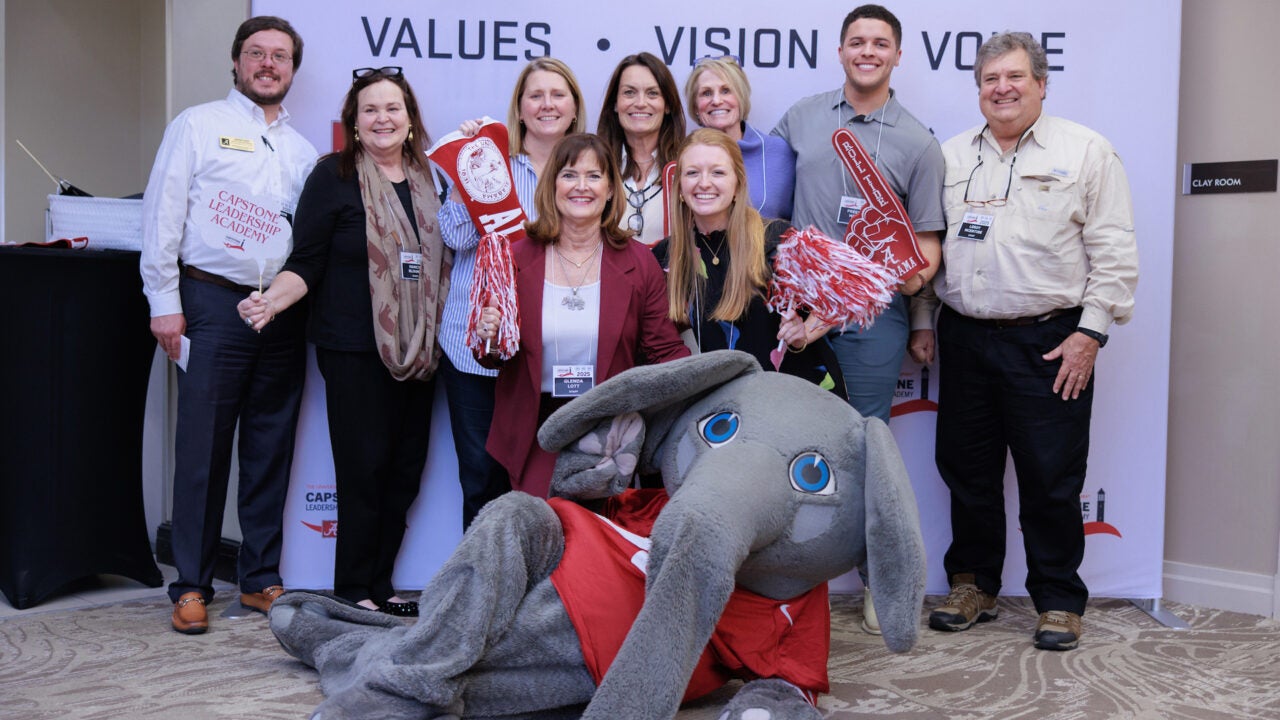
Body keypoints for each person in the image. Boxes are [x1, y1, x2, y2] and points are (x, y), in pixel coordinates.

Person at [926, 32, 1138, 651]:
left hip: (1051, 340)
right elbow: (928, 247)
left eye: (1015, 77)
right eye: (991, 79)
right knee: (967, 471)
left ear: (1042, 84)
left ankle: (1057, 600)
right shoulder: (951, 156)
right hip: (963, 337)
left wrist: (1090, 334)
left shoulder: (1087, 151)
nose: (1003, 88)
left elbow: (1115, 251)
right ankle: (973, 586)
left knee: (1051, 476)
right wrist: (921, 321)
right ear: (978, 88)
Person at [237, 67, 450, 617]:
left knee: (405, 471)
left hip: (420, 349)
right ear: (354, 122)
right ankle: (354, 588)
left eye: (393, 108)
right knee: (363, 470)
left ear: (410, 120)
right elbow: (305, 261)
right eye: (371, 109)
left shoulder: (431, 180)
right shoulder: (332, 176)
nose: (383, 118)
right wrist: (272, 301)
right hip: (353, 347)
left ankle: (381, 584)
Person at [140, 16, 316, 635]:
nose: (268, 65)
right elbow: (163, 213)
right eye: (256, 54)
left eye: (280, 56)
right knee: (203, 450)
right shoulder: (197, 126)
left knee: (270, 447)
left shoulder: (303, 151)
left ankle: (259, 578)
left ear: (293, 68)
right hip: (210, 304)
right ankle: (190, 584)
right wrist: (164, 299)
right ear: (236, 63)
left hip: (281, 311)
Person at [772, 4, 945, 636]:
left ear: (898, 55)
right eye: (856, 42)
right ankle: (785, 585)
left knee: (868, 450)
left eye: (880, 43)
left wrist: (917, 302)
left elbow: (927, 249)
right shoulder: (801, 119)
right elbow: (767, 208)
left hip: (874, 321)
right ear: (840, 50)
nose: (867, 51)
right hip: (800, 312)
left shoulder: (918, 141)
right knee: (789, 443)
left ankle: (881, 582)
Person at [475, 134, 690, 497]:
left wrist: (712, 385)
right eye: (570, 175)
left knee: (591, 548)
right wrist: (489, 335)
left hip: (607, 432)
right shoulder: (515, 257)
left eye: (594, 176)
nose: (581, 187)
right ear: (552, 185)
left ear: (610, 190)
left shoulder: (639, 263)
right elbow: (492, 354)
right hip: (533, 430)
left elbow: (663, 351)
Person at [436, 57, 587, 528]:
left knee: (550, 477)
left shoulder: (589, 171)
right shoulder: (491, 165)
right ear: (518, 110)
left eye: (557, 94)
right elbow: (457, 239)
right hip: (477, 344)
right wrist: (466, 170)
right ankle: (484, 591)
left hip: (556, 349)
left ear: (575, 106)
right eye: (535, 95)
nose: (547, 105)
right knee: (482, 476)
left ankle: (545, 592)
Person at [653, 128, 844, 396]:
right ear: (680, 188)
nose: (704, 183)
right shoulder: (666, 255)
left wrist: (805, 333)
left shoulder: (776, 238)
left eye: (718, 173)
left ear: (737, 185)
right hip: (720, 409)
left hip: (795, 399)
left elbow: (841, 289)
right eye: (692, 173)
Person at [684, 56, 795, 221]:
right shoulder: (684, 155)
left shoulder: (779, 153)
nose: (716, 100)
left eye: (726, 90)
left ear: (741, 97)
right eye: (706, 93)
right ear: (695, 107)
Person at [597, 52, 686, 245]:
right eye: (629, 92)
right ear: (615, 103)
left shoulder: (687, 168)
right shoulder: (595, 166)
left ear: (668, 105)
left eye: (652, 93)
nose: (640, 103)